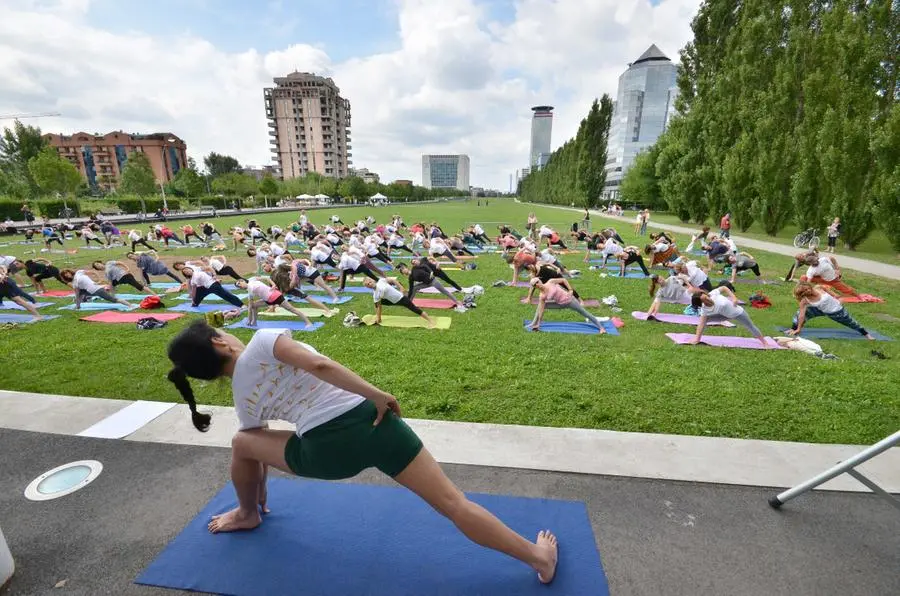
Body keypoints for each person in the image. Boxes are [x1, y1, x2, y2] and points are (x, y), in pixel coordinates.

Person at [165, 323, 559, 583]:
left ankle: (248, 512)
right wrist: (375, 394)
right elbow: (319, 364)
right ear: (219, 341)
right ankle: (538, 559)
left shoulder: (241, 399)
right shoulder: (264, 341)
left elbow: (255, 447)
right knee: (453, 503)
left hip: (326, 456)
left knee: (241, 441)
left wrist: (259, 496)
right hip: (375, 424)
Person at [788, 282, 874, 340]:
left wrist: (838, 299)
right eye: (805, 291)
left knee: (851, 322)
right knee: (800, 313)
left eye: (807, 288)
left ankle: (866, 334)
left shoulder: (819, 287)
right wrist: (799, 328)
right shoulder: (805, 300)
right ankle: (794, 328)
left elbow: (833, 293)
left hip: (836, 312)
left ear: (809, 286)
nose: (808, 291)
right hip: (822, 310)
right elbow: (802, 315)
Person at [690, 287, 770, 347]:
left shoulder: (713, 293)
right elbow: (701, 324)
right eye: (705, 300)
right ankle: (697, 339)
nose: (708, 299)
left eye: (706, 297)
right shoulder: (704, 309)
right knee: (703, 320)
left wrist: (734, 297)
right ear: (701, 303)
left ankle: (764, 342)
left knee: (750, 326)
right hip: (724, 316)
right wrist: (697, 339)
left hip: (737, 313)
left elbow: (724, 288)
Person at [528, 278, 606, 332]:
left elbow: (563, 280)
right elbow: (541, 309)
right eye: (535, 285)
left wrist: (570, 290)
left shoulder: (550, 282)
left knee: (585, 313)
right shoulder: (542, 295)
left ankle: (601, 328)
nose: (537, 284)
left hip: (570, 301)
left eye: (537, 282)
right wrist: (539, 322)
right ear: (535, 287)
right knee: (540, 305)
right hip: (560, 304)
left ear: (540, 280)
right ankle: (534, 323)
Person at [236, 277, 313, 328]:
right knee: (254, 305)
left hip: (276, 297)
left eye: (239, 283)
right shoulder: (252, 280)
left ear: (242, 281)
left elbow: (249, 308)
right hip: (268, 299)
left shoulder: (250, 288)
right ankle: (254, 322)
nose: (239, 286)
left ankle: (308, 322)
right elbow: (267, 278)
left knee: (292, 309)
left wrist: (273, 285)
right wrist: (273, 285)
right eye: (238, 286)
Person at [364, 277, 436, 327]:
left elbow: (393, 280)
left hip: (401, 298)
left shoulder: (381, 281)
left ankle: (430, 320)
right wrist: (379, 318)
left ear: (373, 280)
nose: (370, 284)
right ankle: (378, 318)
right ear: (367, 287)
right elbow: (378, 307)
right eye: (368, 284)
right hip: (393, 301)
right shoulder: (375, 295)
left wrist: (401, 287)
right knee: (377, 303)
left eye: (370, 282)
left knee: (414, 309)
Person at [396, 261, 467, 313]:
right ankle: (409, 303)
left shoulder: (414, 268)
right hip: (426, 283)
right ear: (403, 274)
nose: (404, 271)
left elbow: (424, 266)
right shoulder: (411, 278)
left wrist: (431, 272)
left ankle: (457, 302)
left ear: (406, 268)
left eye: (403, 269)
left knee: (444, 292)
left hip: (433, 281)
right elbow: (411, 289)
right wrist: (408, 298)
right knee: (414, 288)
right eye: (402, 271)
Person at [59, 269, 135, 310]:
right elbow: (77, 293)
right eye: (65, 275)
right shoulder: (74, 283)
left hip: (97, 290)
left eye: (67, 272)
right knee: (79, 293)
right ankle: (78, 305)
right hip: (91, 291)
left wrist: (99, 280)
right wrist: (77, 301)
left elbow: (93, 272)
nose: (67, 274)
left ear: (69, 272)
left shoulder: (79, 272)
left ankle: (130, 305)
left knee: (113, 300)